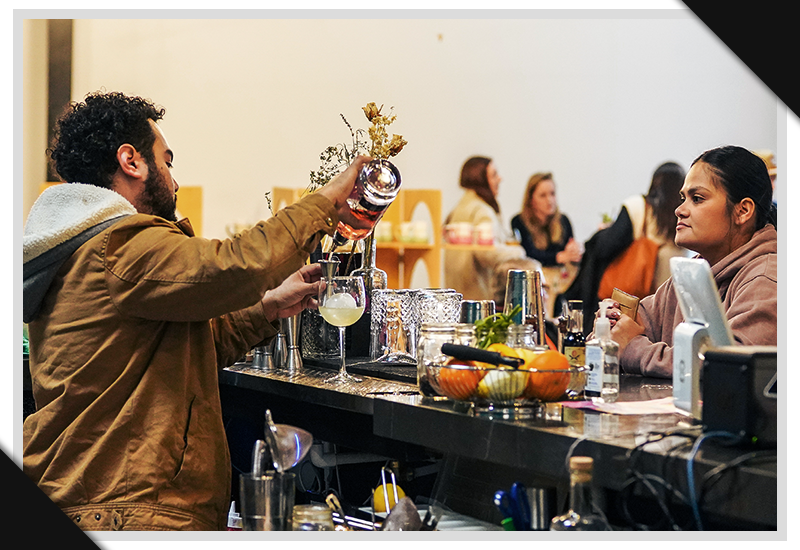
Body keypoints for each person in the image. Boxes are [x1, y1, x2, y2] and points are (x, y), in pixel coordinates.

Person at [22, 91, 369, 531]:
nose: (174, 179)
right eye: (166, 161)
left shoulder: (90, 249)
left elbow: (185, 341)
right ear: (131, 161)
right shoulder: (120, 245)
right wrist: (326, 201)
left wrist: (266, 309)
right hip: (127, 509)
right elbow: (233, 266)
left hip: (102, 499)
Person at [607, 145, 778, 378]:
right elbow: (640, 320)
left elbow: (727, 369)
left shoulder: (767, 279)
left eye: (697, 199)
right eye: (682, 198)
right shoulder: (696, 272)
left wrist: (633, 348)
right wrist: (611, 322)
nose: (679, 210)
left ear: (743, 211)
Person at [559, 161, 688, 333]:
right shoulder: (682, 214)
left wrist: (603, 232)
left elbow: (606, 246)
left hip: (632, 303)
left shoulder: (639, 207)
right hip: (666, 304)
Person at [443, 156, 535, 301]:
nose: (500, 179)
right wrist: (518, 251)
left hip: (457, 293)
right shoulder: (482, 210)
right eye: (494, 175)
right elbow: (486, 252)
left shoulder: (459, 208)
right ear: (480, 180)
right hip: (477, 294)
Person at [510, 172, 582, 316]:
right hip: (537, 280)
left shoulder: (563, 221)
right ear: (531, 199)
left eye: (552, 194)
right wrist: (558, 257)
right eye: (543, 195)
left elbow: (569, 251)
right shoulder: (519, 221)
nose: (550, 200)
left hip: (562, 281)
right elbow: (528, 254)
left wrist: (574, 252)